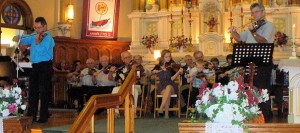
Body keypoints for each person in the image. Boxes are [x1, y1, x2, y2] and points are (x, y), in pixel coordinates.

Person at [229, 2, 275, 120]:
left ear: (263, 12)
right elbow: (239, 38)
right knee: (248, 86)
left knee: (261, 88)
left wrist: (253, 32)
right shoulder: (252, 27)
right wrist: (233, 31)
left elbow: (264, 41)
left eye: (257, 12)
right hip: (250, 62)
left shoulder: (269, 26)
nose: (254, 14)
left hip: (263, 62)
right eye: (252, 12)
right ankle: (251, 114)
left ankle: (264, 116)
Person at [19, 17, 55, 123]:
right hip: (35, 66)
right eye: (35, 28)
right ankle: (31, 116)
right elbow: (25, 39)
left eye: (39, 28)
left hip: (45, 66)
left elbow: (41, 50)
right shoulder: (34, 35)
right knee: (33, 92)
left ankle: (43, 117)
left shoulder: (48, 38)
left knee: (43, 92)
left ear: (45, 27)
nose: (37, 30)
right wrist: (19, 37)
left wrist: (37, 41)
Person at [151, 49, 183, 118]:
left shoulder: (172, 66)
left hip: (172, 85)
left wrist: (178, 72)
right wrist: (154, 72)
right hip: (161, 86)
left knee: (168, 87)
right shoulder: (158, 66)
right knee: (167, 92)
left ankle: (161, 107)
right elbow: (152, 75)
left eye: (169, 56)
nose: (168, 58)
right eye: (166, 57)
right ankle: (166, 114)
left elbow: (171, 79)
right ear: (162, 57)